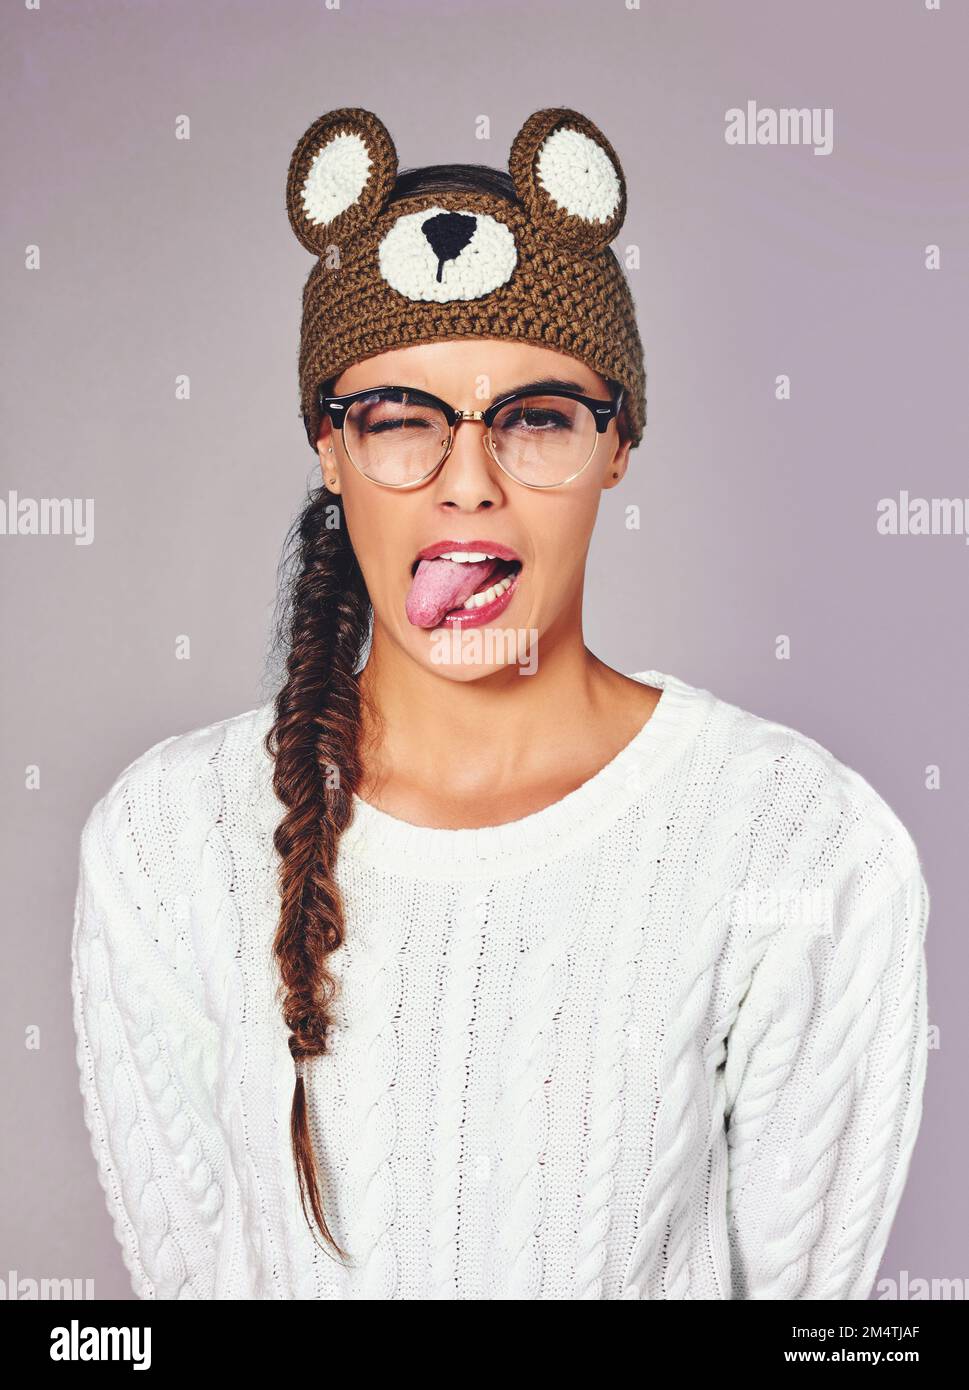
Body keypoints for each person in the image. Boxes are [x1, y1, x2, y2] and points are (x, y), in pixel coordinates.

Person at [70, 106, 930, 1300]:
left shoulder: (803, 844)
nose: (467, 483)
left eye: (535, 419)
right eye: (398, 419)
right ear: (328, 447)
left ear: (617, 444)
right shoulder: (165, 842)